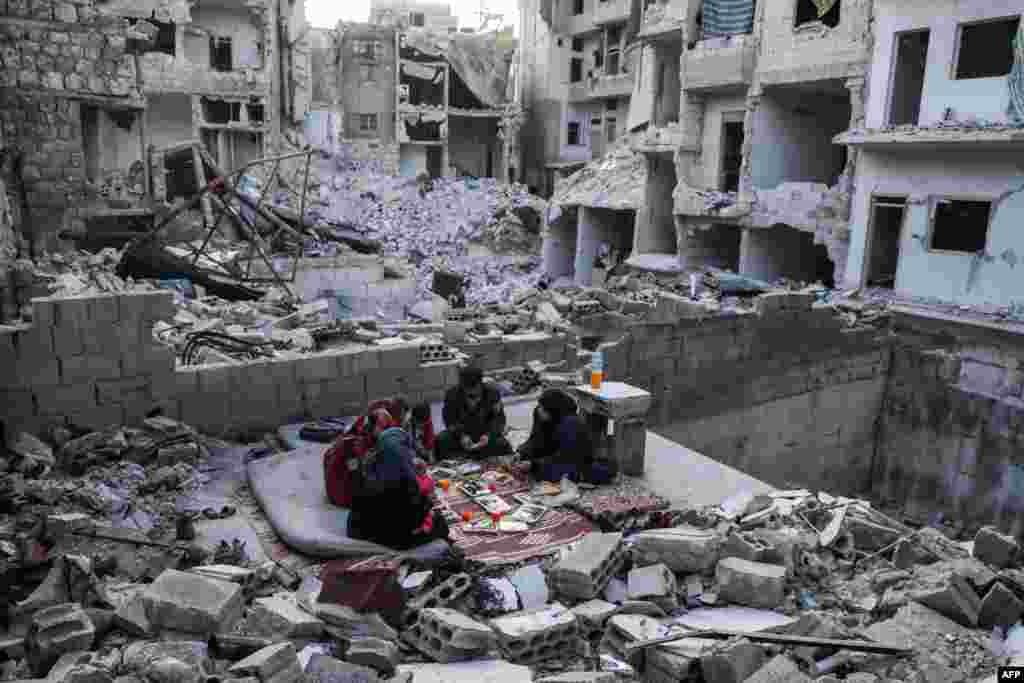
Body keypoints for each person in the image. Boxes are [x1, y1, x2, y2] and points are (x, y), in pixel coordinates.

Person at [347, 408, 449, 549]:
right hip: (389, 537)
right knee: (440, 524)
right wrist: (428, 505)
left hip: (357, 531)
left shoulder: (370, 466)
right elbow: (416, 517)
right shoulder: (406, 483)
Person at [516, 388, 615, 484]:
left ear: (553, 409)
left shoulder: (570, 423)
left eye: (543, 408)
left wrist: (534, 465)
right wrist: (521, 452)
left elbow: (566, 457)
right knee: (524, 458)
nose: (539, 410)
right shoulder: (540, 413)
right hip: (551, 455)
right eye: (539, 406)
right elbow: (534, 439)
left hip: (571, 460)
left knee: (555, 473)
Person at [436, 366, 511, 460]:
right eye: (466, 389)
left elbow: (499, 419)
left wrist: (488, 435)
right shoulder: (452, 394)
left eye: (473, 388)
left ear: (480, 383)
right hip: (462, 433)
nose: (469, 391)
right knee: (441, 440)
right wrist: (461, 435)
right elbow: (449, 419)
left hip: (484, 434)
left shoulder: (492, 394)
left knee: (503, 445)